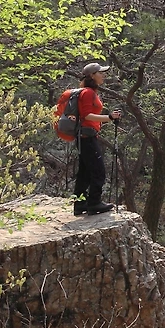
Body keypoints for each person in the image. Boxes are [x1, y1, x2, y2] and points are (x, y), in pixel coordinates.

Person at [64, 62, 122, 215]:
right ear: (91, 75)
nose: (103, 75)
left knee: (85, 172)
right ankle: (94, 203)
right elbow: (87, 115)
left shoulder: (88, 92)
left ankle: (80, 204)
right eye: (100, 73)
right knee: (98, 171)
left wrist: (108, 118)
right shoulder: (88, 93)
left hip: (85, 136)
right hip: (87, 137)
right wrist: (109, 117)